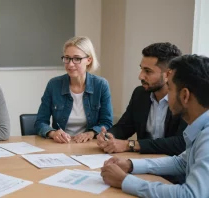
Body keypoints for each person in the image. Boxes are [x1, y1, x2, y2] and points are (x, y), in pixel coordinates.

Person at [101, 54, 209, 197]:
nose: (167, 94)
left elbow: (190, 195)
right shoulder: (200, 127)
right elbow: (181, 162)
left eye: (169, 88)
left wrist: (124, 181)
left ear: (184, 96)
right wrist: (130, 164)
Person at [97, 42, 187, 156]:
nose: (140, 76)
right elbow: (124, 127)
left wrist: (130, 145)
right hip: (142, 162)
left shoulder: (184, 99)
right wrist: (108, 136)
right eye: (141, 69)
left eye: (148, 71)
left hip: (173, 167)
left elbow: (180, 143)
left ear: (168, 74)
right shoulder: (140, 93)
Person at [35, 36, 113, 143]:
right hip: (60, 144)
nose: (70, 64)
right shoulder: (54, 84)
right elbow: (40, 122)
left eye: (77, 59)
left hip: (89, 145)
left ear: (89, 60)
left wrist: (90, 133)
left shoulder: (101, 85)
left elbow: (107, 122)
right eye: (67, 58)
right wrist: (53, 133)